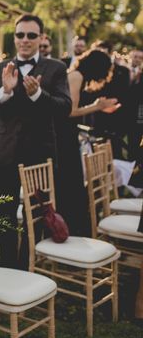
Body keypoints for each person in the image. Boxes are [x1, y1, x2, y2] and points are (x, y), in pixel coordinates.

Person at [0, 14, 71, 269]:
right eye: (20, 34)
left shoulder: (56, 68)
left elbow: (64, 108)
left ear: (41, 38)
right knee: (5, 212)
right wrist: (5, 91)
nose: (25, 40)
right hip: (6, 151)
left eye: (31, 35)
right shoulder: (1, 68)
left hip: (39, 153)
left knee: (38, 213)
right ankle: (7, 264)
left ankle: (27, 265)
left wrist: (38, 95)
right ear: (15, 36)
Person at [56, 50, 119, 236]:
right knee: (70, 182)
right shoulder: (76, 76)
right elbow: (69, 111)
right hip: (62, 136)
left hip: (67, 134)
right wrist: (97, 106)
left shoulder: (79, 77)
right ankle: (72, 229)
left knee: (73, 182)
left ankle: (75, 229)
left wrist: (101, 106)